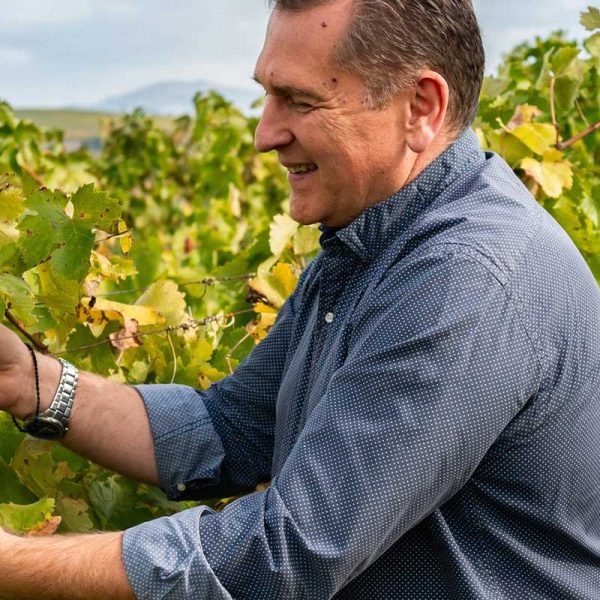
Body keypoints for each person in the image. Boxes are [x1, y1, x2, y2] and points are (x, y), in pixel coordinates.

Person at [1, 0, 599, 597]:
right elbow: (231, 428)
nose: (265, 135)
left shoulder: (464, 278)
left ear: (420, 107)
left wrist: (12, 562)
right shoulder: (374, 239)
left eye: (301, 101)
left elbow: (286, 555)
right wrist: (29, 381)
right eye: (268, 94)